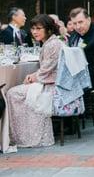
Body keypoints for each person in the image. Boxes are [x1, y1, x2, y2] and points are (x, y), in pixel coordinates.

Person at [6, 15, 64, 147]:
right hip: (49, 82)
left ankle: (29, 137)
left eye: (39, 28)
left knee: (12, 93)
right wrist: (34, 76)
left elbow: (46, 70)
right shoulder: (50, 42)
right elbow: (46, 69)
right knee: (15, 91)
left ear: (48, 29)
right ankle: (25, 135)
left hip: (52, 86)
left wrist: (33, 77)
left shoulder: (53, 44)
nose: (35, 32)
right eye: (33, 28)